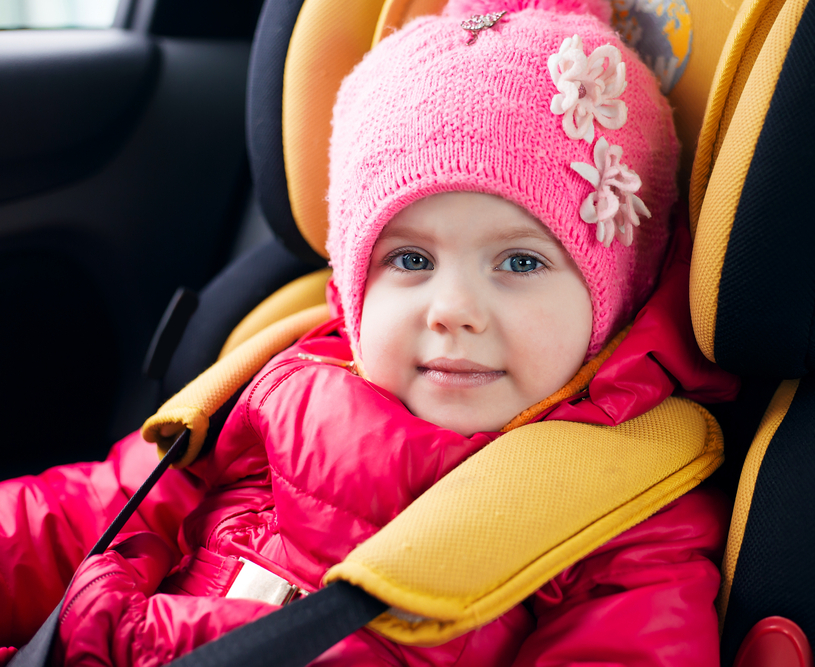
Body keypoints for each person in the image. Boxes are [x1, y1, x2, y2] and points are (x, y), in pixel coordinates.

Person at [0, 0, 740, 664]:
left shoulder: (628, 518)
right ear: (353, 293)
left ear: (616, 293)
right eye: (410, 259)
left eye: (519, 260)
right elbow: (87, 515)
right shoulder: (276, 381)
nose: (453, 309)